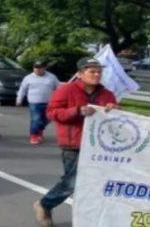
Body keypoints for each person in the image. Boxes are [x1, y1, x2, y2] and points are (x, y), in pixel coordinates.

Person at [33, 58, 117, 227]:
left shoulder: (107, 93)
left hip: (98, 146)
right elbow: (51, 113)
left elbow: (116, 117)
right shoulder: (66, 90)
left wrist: (115, 109)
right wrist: (77, 111)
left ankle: (86, 217)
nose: (97, 75)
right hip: (73, 143)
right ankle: (45, 204)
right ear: (80, 74)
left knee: (89, 183)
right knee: (74, 182)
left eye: (99, 71)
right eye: (92, 71)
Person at [16, 61, 60, 145]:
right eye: (36, 68)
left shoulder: (51, 77)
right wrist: (19, 99)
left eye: (40, 68)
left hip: (48, 102)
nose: (37, 70)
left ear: (44, 68)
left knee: (48, 118)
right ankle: (34, 135)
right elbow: (22, 89)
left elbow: (59, 88)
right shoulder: (28, 78)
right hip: (34, 102)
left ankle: (39, 130)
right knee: (36, 119)